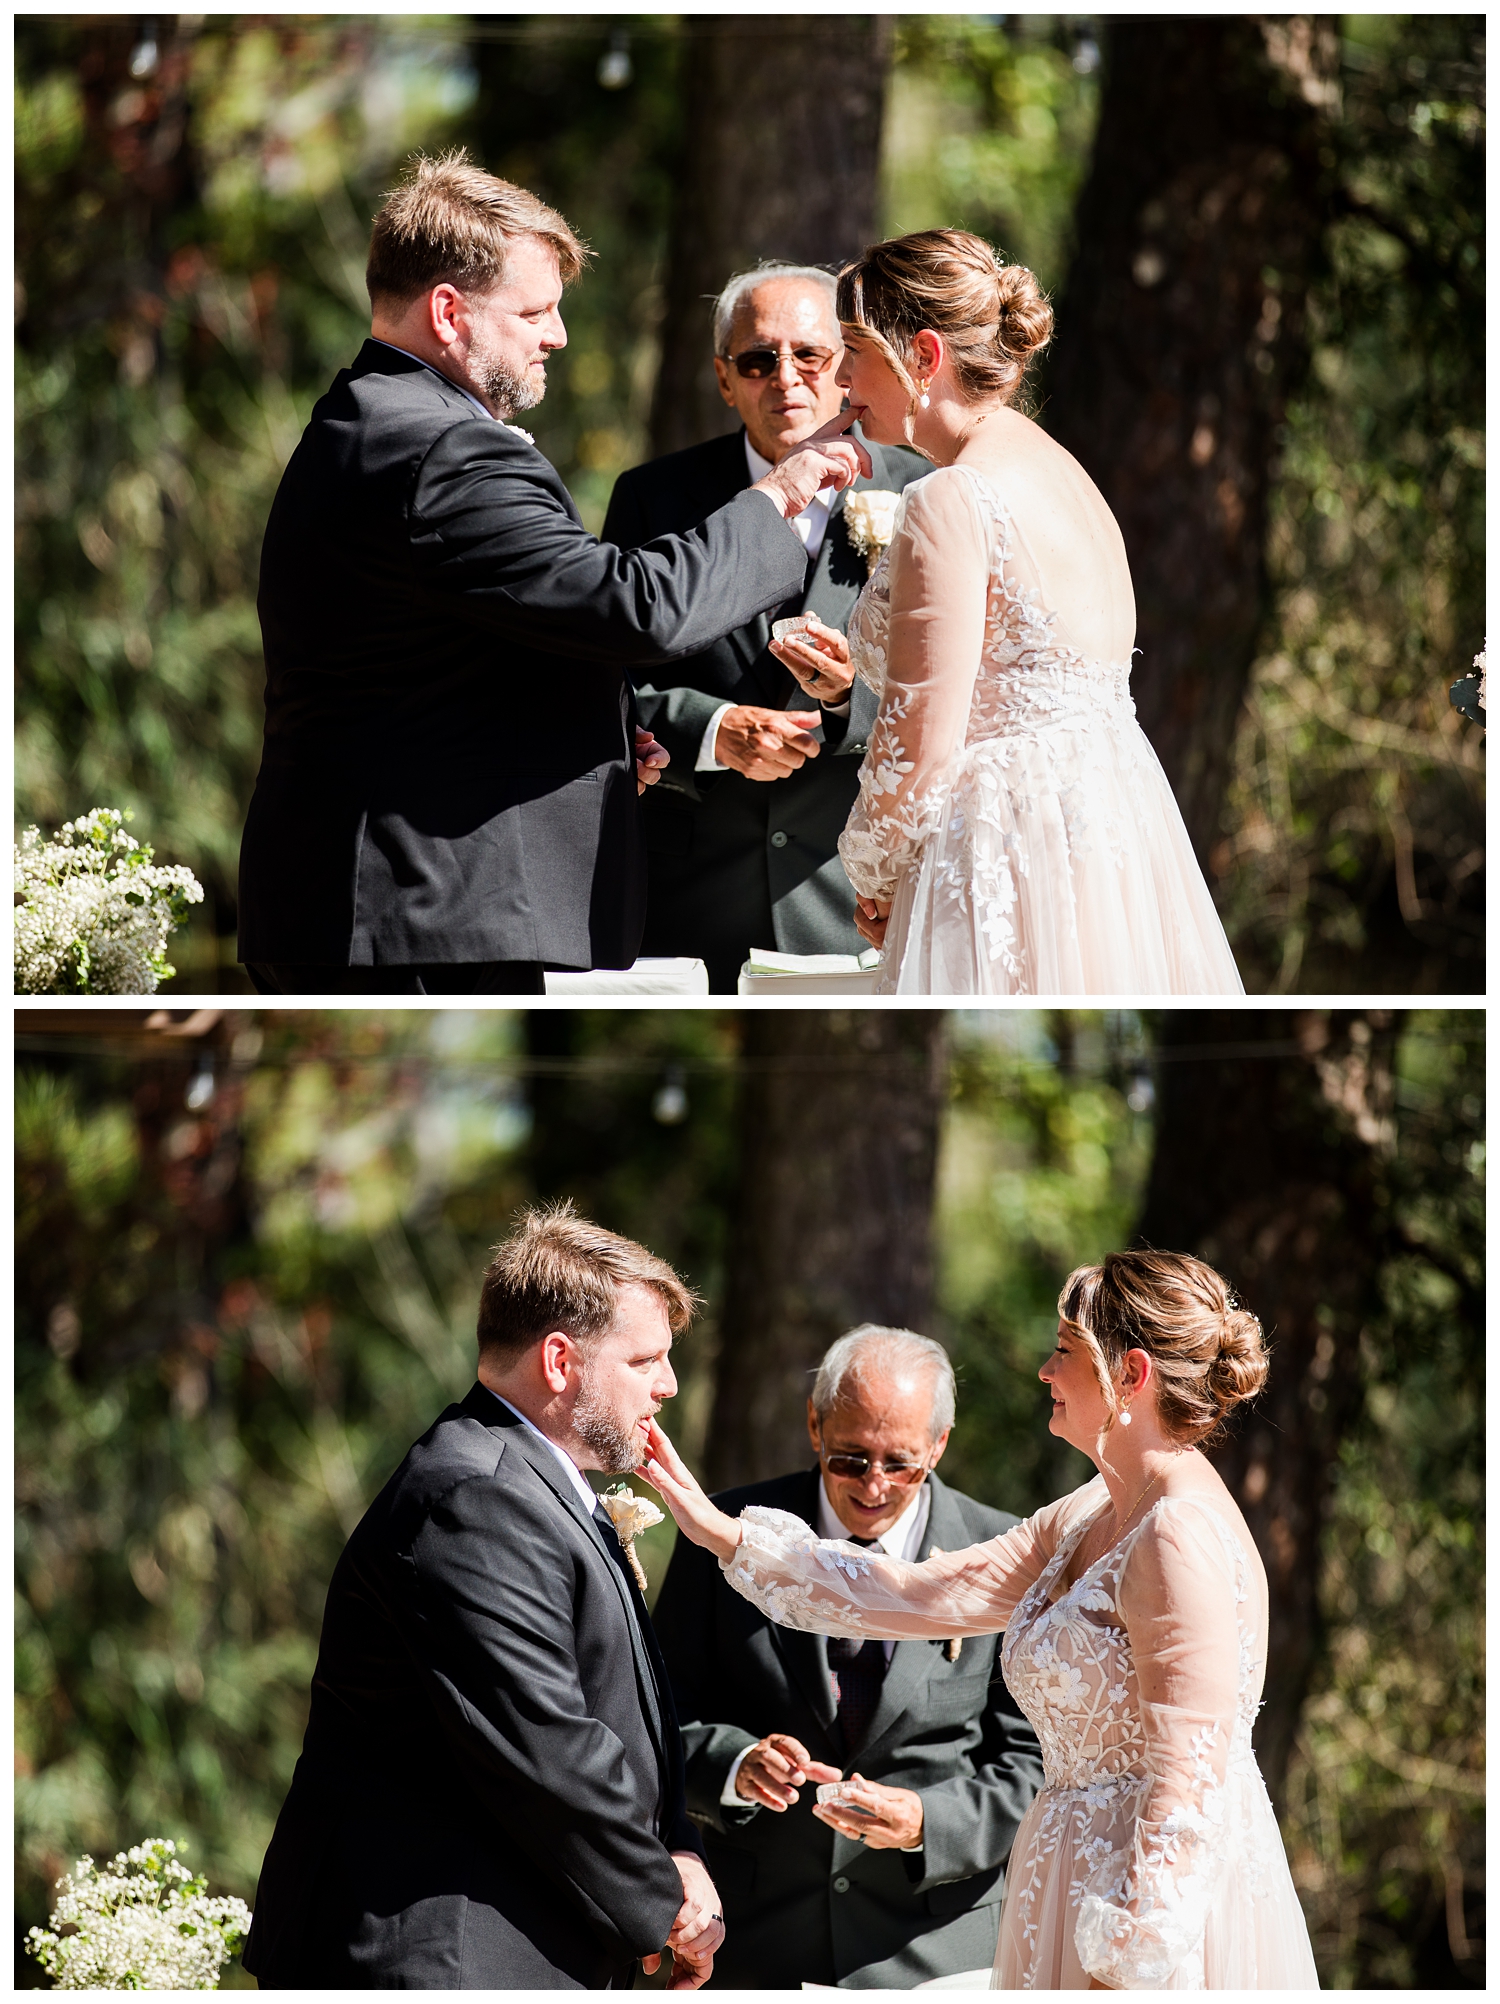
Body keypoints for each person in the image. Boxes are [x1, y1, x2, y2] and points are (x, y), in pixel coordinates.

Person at [237, 153, 867, 994]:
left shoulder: (370, 420)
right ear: (450, 313)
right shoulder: (439, 446)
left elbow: (451, 658)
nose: (557, 335)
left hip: (388, 909)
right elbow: (638, 609)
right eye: (535, 311)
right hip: (413, 916)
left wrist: (596, 741)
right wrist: (786, 492)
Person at [645, 1251, 1321, 1990]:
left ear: (1129, 1375)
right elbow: (915, 1593)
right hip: (1054, 1891)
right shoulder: (1093, 1509)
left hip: (1130, 1914)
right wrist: (727, 1535)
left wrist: (1129, 1963)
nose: (1044, 1372)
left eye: (1064, 1352)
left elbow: (1186, 1794)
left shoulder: (1175, 1532)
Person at [243, 1205, 726, 1989]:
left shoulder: (531, 1485)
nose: (667, 1386)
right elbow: (547, 1747)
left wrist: (680, 1849)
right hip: (445, 1954)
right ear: (561, 1361)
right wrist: (666, 1904)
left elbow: (623, 1712)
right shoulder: (476, 1499)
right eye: (645, 1362)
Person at [764, 229, 1245, 995]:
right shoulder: (1071, 479)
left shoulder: (951, 496)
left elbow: (922, 735)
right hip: (1110, 830)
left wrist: (874, 873)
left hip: (1000, 843)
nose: (842, 375)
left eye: (854, 348)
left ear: (923, 356)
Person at [652, 1325, 1043, 1988]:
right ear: (814, 1425)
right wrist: (735, 1763)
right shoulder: (721, 1535)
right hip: (757, 1944)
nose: (874, 1484)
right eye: (850, 1458)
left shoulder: (1004, 1554)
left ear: (939, 1445)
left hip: (936, 1952)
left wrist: (927, 1822)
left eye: (901, 1463)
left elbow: (1036, 1763)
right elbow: (658, 1718)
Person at [603, 265, 926, 993]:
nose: (786, 378)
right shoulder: (652, 498)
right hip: (692, 900)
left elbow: (960, 692)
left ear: (844, 364)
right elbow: (608, 685)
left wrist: (849, 701)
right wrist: (714, 731)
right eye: (758, 359)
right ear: (725, 379)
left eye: (809, 355)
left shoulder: (921, 490)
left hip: (854, 895)